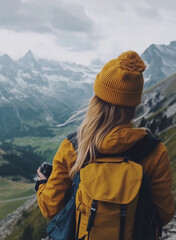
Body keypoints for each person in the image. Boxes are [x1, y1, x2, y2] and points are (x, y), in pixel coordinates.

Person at [36, 51, 175, 239]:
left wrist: (43, 183)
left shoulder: (74, 147)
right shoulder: (155, 151)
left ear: (96, 100)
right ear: (134, 105)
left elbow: (51, 208)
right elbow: (165, 214)